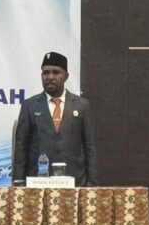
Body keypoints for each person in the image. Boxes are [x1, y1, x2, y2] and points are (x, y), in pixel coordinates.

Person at [13, 51, 97, 186]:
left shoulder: (82, 106)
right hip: (38, 183)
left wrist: (91, 182)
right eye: (46, 73)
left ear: (66, 76)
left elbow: (90, 146)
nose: (50, 77)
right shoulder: (29, 106)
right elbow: (21, 146)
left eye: (56, 72)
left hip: (75, 182)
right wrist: (19, 181)